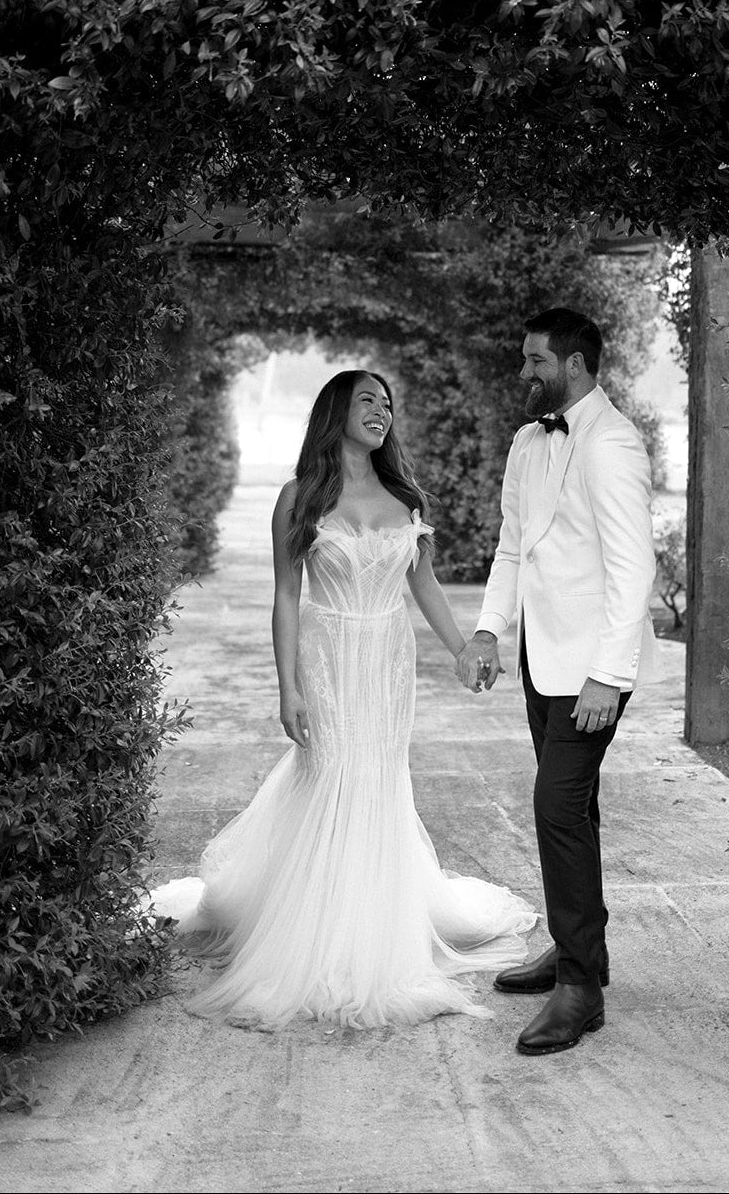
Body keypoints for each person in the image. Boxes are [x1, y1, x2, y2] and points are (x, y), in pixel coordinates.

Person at [150, 369, 535, 1030]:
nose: (380, 411)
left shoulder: (403, 498)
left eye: (387, 403)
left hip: (387, 663)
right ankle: (312, 935)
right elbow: (284, 596)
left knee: (377, 785)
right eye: (366, 400)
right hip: (326, 656)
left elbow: (426, 588)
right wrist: (288, 686)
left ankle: (373, 929)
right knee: (329, 777)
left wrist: (462, 648)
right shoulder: (298, 497)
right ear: (336, 411)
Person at [455, 307, 659, 1056]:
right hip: (545, 659)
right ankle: (581, 954)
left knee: (555, 806)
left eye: (533, 360)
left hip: (592, 669)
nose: (523, 373)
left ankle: (580, 987)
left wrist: (607, 676)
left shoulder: (610, 443)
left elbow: (633, 567)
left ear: (573, 364)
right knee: (571, 810)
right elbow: (514, 545)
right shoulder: (525, 442)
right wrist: (487, 628)